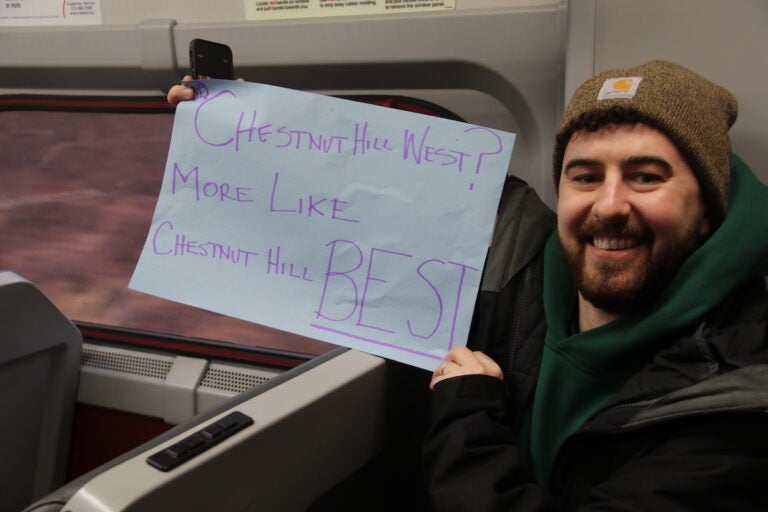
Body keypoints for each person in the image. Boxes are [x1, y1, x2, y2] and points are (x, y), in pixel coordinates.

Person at [423, 60, 768, 511]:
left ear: (705, 211)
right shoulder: (516, 286)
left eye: (646, 177)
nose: (608, 206)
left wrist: (466, 420)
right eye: (585, 177)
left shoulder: (739, 399)